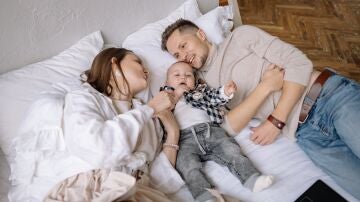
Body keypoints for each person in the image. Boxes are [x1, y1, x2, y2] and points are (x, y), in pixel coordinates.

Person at [161, 19, 360, 199]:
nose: (183, 56)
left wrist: (276, 119)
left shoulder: (240, 37)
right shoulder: (204, 88)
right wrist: (266, 87)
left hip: (329, 97)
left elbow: (298, 63)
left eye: (183, 46)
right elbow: (228, 126)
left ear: (201, 35)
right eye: (177, 55)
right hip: (306, 134)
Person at [44, 47, 182, 201]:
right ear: (114, 64)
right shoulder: (82, 98)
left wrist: (173, 132)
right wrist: (151, 108)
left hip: (139, 192)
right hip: (93, 189)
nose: (147, 71)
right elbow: (100, 148)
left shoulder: (149, 118)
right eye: (138, 62)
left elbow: (160, 180)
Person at [160, 61, 277, 201]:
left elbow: (214, 98)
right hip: (184, 140)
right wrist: (176, 96)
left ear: (195, 80)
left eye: (188, 75)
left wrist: (225, 92)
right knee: (188, 168)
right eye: (176, 75)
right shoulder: (164, 97)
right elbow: (162, 115)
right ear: (167, 81)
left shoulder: (200, 91)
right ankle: (205, 197)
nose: (183, 78)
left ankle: (252, 180)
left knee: (232, 151)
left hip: (211, 130)